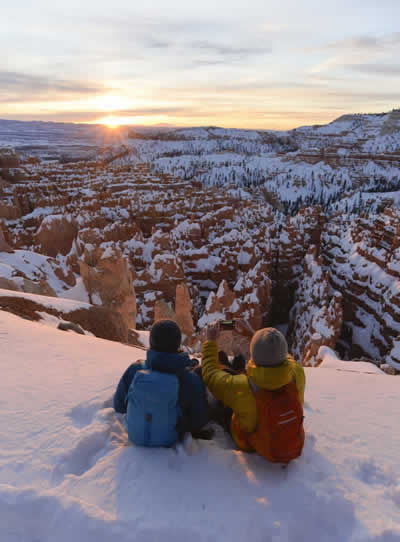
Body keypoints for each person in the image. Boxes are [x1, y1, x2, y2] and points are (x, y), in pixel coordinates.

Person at [202, 320, 306, 463]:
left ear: (253, 355)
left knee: (223, 399)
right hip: (289, 438)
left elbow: (210, 374)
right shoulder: (297, 373)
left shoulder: (244, 388)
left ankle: (229, 367)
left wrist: (210, 341)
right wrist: (253, 335)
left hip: (251, 443)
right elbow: (282, 356)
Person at [114, 319, 209, 447]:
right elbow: (199, 420)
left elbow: (119, 405)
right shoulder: (190, 380)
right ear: (177, 344)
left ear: (151, 343)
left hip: (134, 435)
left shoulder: (135, 369)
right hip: (170, 438)